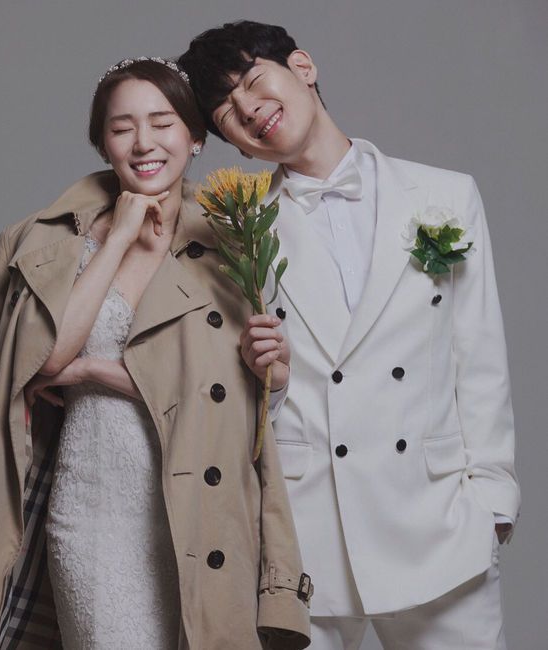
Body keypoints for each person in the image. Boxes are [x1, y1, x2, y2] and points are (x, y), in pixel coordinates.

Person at [0, 57, 313, 650]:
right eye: (123, 128)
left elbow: (236, 407)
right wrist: (120, 236)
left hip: (200, 513)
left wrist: (271, 375)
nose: (144, 142)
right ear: (103, 144)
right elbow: (45, 360)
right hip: (92, 509)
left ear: (195, 137)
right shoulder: (49, 239)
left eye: (163, 123)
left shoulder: (236, 241)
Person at [179, 21, 520, 649]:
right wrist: (271, 379)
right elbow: (227, 396)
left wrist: (493, 502)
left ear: (303, 67)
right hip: (306, 535)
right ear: (235, 145)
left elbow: (478, 356)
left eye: (253, 81)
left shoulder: (444, 194)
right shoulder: (240, 233)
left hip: (439, 526)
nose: (247, 109)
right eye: (226, 112)